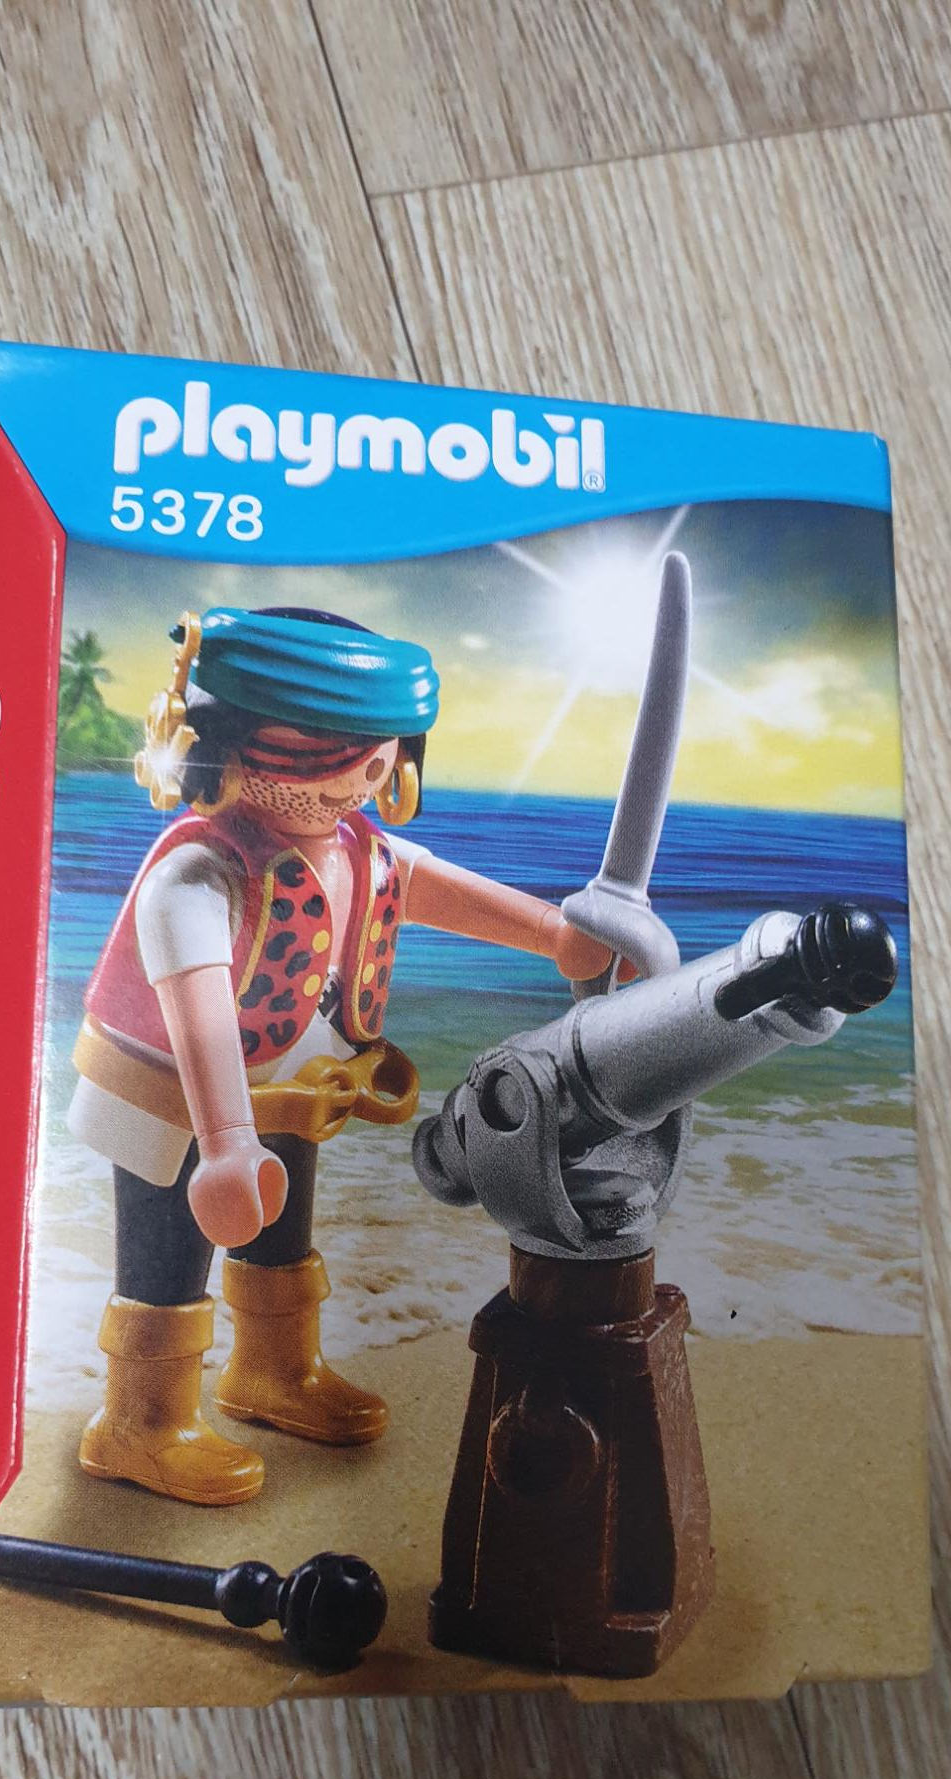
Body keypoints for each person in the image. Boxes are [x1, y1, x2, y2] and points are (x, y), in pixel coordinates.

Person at [69, 604, 611, 1504]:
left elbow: (426, 885)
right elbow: (198, 1013)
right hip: (171, 1097)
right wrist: (225, 1141)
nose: (350, 780)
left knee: (280, 1232)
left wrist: (553, 933)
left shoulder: (357, 850)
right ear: (219, 750)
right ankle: (141, 1421)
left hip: (285, 1084)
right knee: (168, 1254)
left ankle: (273, 1372)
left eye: (369, 754)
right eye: (308, 754)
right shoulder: (194, 877)